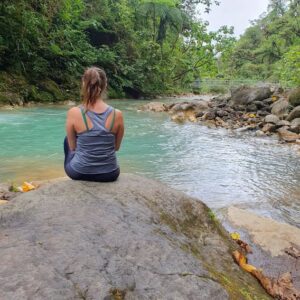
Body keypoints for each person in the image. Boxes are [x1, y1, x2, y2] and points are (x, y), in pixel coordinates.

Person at [64, 67, 124, 182]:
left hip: (79, 172)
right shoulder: (118, 114)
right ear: (105, 85)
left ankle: (84, 164)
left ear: (83, 84)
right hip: (110, 173)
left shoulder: (74, 112)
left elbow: (72, 147)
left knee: (67, 140)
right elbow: (116, 148)